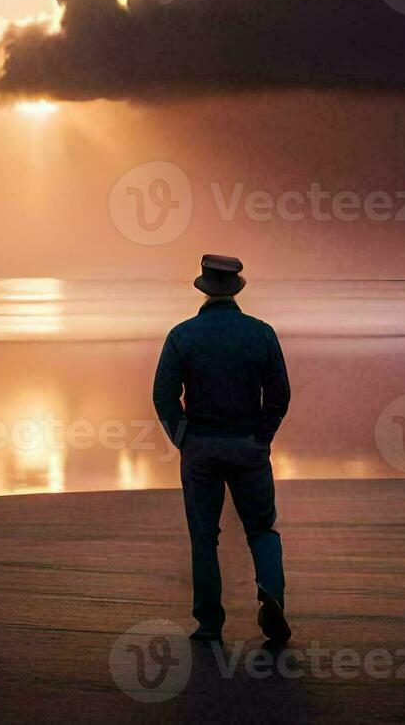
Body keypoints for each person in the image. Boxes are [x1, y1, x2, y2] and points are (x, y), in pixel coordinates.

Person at [152, 254, 291, 643]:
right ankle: (271, 595)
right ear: (235, 289)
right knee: (262, 529)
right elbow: (279, 394)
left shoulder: (182, 335)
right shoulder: (261, 333)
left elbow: (164, 395)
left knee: (204, 536)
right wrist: (262, 435)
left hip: (201, 447)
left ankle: (209, 622)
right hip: (248, 444)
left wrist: (182, 438)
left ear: (204, 288)